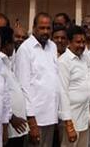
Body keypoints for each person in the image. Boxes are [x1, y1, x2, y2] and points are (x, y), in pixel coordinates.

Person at [16, 12, 60, 147]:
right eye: (42, 28)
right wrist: (31, 121)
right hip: (36, 118)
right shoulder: (25, 49)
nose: (45, 32)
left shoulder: (52, 46)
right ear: (34, 28)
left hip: (51, 116)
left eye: (48, 28)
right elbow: (24, 87)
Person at [58, 25, 90, 147]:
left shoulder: (85, 59)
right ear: (69, 42)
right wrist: (69, 124)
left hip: (84, 118)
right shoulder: (64, 61)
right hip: (71, 120)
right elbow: (63, 93)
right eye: (78, 42)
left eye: (83, 42)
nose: (81, 45)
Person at [0, 25, 30, 147]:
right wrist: (11, 118)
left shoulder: (7, 61)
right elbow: (0, 96)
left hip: (17, 128)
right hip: (11, 125)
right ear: (7, 44)